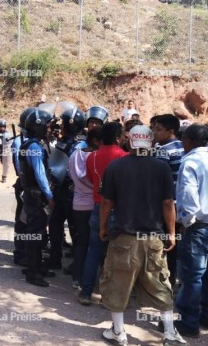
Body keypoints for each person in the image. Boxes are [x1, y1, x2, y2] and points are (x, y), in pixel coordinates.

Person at [98, 125, 186, 346]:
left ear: (129, 141)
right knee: (160, 285)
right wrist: (172, 234)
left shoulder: (115, 167)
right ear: (150, 142)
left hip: (123, 239)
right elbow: (168, 203)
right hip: (153, 240)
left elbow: (107, 202)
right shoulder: (162, 168)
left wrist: (102, 227)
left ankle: (119, 333)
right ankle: (169, 333)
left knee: (118, 285)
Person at [175, 124, 208, 337]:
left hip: (198, 227)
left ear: (188, 140)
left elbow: (188, 196)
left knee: (192, 277)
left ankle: (188, 322)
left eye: (183, 139)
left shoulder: (190, 162)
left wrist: (187, 222)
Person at [79, 121, 128, 306]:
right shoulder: (124, 157)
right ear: (118, 137)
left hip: (98, 207)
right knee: (115, 254)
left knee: (93, 251)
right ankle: (108, 295)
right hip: (119, 209)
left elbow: (91, 179)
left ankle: (86, 291)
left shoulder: (91, 157)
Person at [18, 109, 55, 287]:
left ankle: (36, 267)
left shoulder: (26, 145)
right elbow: (40, 175)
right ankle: (33, 273)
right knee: (36, 234)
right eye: (47, 126)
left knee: (37, 233)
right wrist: (49, 196)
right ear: (38, 127)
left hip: (31, 194)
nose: (49, 129)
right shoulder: (34, 148)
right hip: (37, 196)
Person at [48, 106, 87, 270]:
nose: (61, 126)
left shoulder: (79, 144)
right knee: (55, 225)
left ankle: (77, 264)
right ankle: (54, 258)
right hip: (59, 188)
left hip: (71, 190)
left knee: (75, 228)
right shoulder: (65, 140)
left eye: (64, 123)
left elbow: (73, 168)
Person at [153, 114, 185, 289]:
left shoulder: (163, 151)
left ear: (171, 131)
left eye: (158, 129)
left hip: (165, 204)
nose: (154, 133)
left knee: (163, 244)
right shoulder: (183, 147)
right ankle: (173, 281)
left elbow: (156, 180)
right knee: (175, 245)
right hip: (179, 204)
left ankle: (164, 283)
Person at [68, 126, 102, 289]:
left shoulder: (75, 154)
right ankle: (91, 279)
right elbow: (94, 180)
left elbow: (73, 176)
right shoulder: (95, 157)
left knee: (81, 242)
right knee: (94, 244)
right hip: (93, 203)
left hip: (77, 204)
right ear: (96, 141)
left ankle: (77, 276)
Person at [11, 107, 35, 266]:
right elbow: (20, 167)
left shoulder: (28, 141)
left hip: (26, 183)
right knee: (23, 220)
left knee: (27, 220)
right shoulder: (19, 142)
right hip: (24, 184)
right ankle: (20, 252)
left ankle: (26, 251)